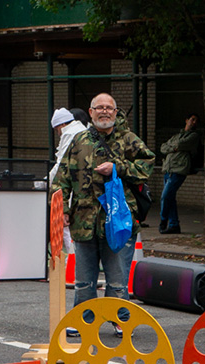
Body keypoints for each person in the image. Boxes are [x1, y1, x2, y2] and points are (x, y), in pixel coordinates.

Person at [53, 93, 154, 339]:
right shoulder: (78, 141)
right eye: (100, 108)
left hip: (119, 222)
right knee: (84, 279)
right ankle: (82, 320)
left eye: (110, 108)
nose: (105, 112)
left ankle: (120, 320)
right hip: (84, 221)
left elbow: (148, 165)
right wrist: (63, 212)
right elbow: (61, 179)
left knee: (117, 279)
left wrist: (117, 168)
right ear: (91, 112)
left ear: (116, 112)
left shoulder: (129, 140)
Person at [157, 113, 202, 234]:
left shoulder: (194, 136)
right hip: (168, 169)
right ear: (186, 120)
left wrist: (173, 147)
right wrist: (174, 147)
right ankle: (174, 224)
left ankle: (163, 220)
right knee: (170, 198)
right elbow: (163, 148)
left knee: (165, 196)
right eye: (192, 120)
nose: (193, 122)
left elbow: (180, 145)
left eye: (196, 121)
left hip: (179, 170)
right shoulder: (177, 135)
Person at [48, 107, 87, 185]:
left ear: (63, 124)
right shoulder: (82, 129)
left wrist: (49, 180)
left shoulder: (69, 133)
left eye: (57, 129)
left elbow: (62, 161)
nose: (58, 133)